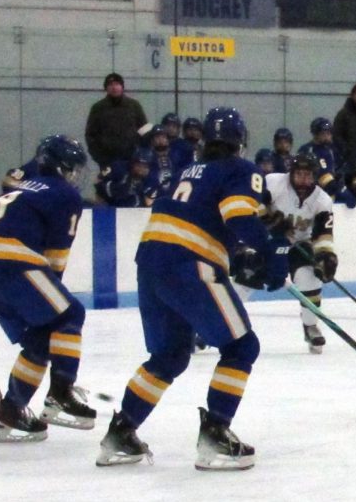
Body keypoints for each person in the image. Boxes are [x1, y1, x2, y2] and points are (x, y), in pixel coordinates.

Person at [95, 106, 290, 469]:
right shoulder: (241, 169)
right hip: (189, 263)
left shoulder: (188, 170)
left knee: (169, 356)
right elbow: (237, 216)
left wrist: (241, 256)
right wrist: (268, 252)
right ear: (240, 142)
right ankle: (216, 433)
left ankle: (121, 432)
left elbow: (206, 221)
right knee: (242, 346)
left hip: (151, 263)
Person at [0, 135, 95, 442]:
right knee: (70, 314)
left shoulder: (21, 188)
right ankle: (61, 392)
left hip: (2, 263)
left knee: (40, 337)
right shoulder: (64, 193)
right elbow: (55, 260)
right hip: (10, 260)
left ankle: (10, 412)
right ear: (61, 167)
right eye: (73, 168)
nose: (75, 175)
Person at [259, 152, 337, 352]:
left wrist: (326, 256)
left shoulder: (322, 200)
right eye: (299, 174)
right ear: (291, 173)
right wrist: (270, 220)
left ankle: (310, 325)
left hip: (298, 245)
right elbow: (252, 202)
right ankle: (214, 327)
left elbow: (323, 235)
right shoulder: (273, 182)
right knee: (244, 279)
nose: (304, 179)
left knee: (309, 277)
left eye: (308, 175)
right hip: (267, 242)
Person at [84, 73, 148, 171]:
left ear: (122, 87)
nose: (114, 88)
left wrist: (141, 153)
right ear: (106, 88)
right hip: (107, 161)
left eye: (117, 84)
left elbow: (145, 130)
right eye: (110, 85)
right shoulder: (98, 108)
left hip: (132, 160)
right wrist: (99, 158)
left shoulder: (134, 106)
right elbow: (91, 135)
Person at [298, 117, 352, 205]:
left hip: (331, 191)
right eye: (323, 133)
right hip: (313, 196)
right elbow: (322, 177)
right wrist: (340, 190)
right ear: (315, 134)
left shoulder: (333, 149)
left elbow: (340, 169)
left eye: (329, 133)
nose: (327, 136)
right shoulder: (307, 150)